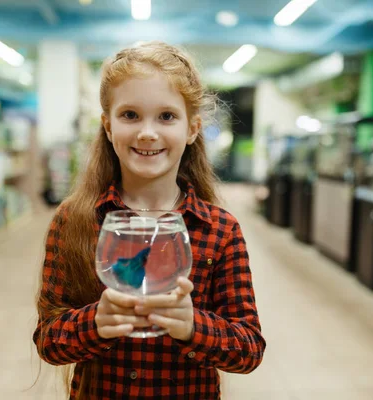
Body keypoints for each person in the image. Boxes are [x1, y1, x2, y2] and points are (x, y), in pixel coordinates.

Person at [33, 41, 265, 399]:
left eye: (167, 116)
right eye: (130, 115)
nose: (147, 132)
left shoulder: (219, 230)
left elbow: (248, 349)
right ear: (108, 126)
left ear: (192, 129)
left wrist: (193, 326)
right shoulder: (75, 220)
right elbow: (49, 342)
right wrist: (95, 323)